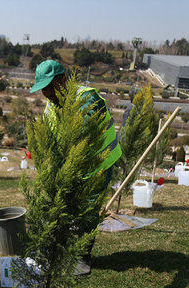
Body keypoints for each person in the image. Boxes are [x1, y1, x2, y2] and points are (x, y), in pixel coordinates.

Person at [30, 60, 121, 276]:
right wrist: (54, 171)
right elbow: (52, 141)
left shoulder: (86, 98)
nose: (47, 93)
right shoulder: (51, 106)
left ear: (64, 80)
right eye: (43, 89)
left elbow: (85, 134)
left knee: (88, 211)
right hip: (71, 166)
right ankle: (56, 250)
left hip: (98, 164)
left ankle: (82, 256)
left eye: (50, 87)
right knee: (59, 206)